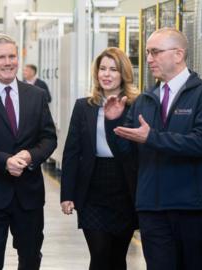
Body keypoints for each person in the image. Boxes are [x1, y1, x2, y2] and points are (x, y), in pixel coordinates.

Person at [104, 27, 202, 270]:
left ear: (178, 55)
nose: (148, 59)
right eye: (148, 52)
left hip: (192, 207)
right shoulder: (145, 100)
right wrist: (114, 123)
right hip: (152, 207)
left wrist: (152, 138)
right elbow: (125, 152)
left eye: (155, 52)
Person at [0, 34, 57, 270]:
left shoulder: (36, 95)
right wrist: (6, 161)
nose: (8, 62)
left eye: (12, 56)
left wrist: (30, 156)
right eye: (1, 57)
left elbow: (48, 137)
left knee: (31, 256)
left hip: (28, 193)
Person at [60, 47, 139, 270]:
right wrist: (67, 194)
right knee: (100, 254)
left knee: (117, 257)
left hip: (124, 187)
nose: (106, 74)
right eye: (102, 69)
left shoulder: (136, 105)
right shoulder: (84, 106)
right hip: (92, 188)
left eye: (113, 69)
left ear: (123, 73)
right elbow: (72, 152)